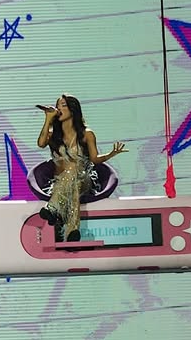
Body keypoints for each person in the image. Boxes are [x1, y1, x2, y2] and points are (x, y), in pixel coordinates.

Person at [36, 95, 126, 242]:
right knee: (74, 186)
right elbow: (41, 144)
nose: (59, 109)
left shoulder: (87, 134)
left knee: (74, 172)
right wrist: (48, 118)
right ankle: (72, 230)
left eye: (63, 105)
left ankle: (53, 208)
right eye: (57, 106)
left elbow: (94, 159)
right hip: (59, 184)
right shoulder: (53, 134)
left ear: (73, 110)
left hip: (85, 179)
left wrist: (111, 154)